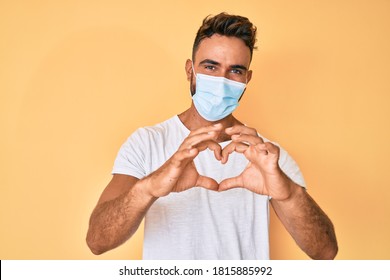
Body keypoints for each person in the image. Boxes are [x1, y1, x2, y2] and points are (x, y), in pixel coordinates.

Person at [86, 12, 338, 260]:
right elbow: (97, 241)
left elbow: (325, 251)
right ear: (190, 70)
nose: (221, 80)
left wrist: (289, 194)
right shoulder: (147, 142)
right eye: (210, 66)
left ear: (247, 79)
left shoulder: (265, 156)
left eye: (235, 71)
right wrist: (150, 186)